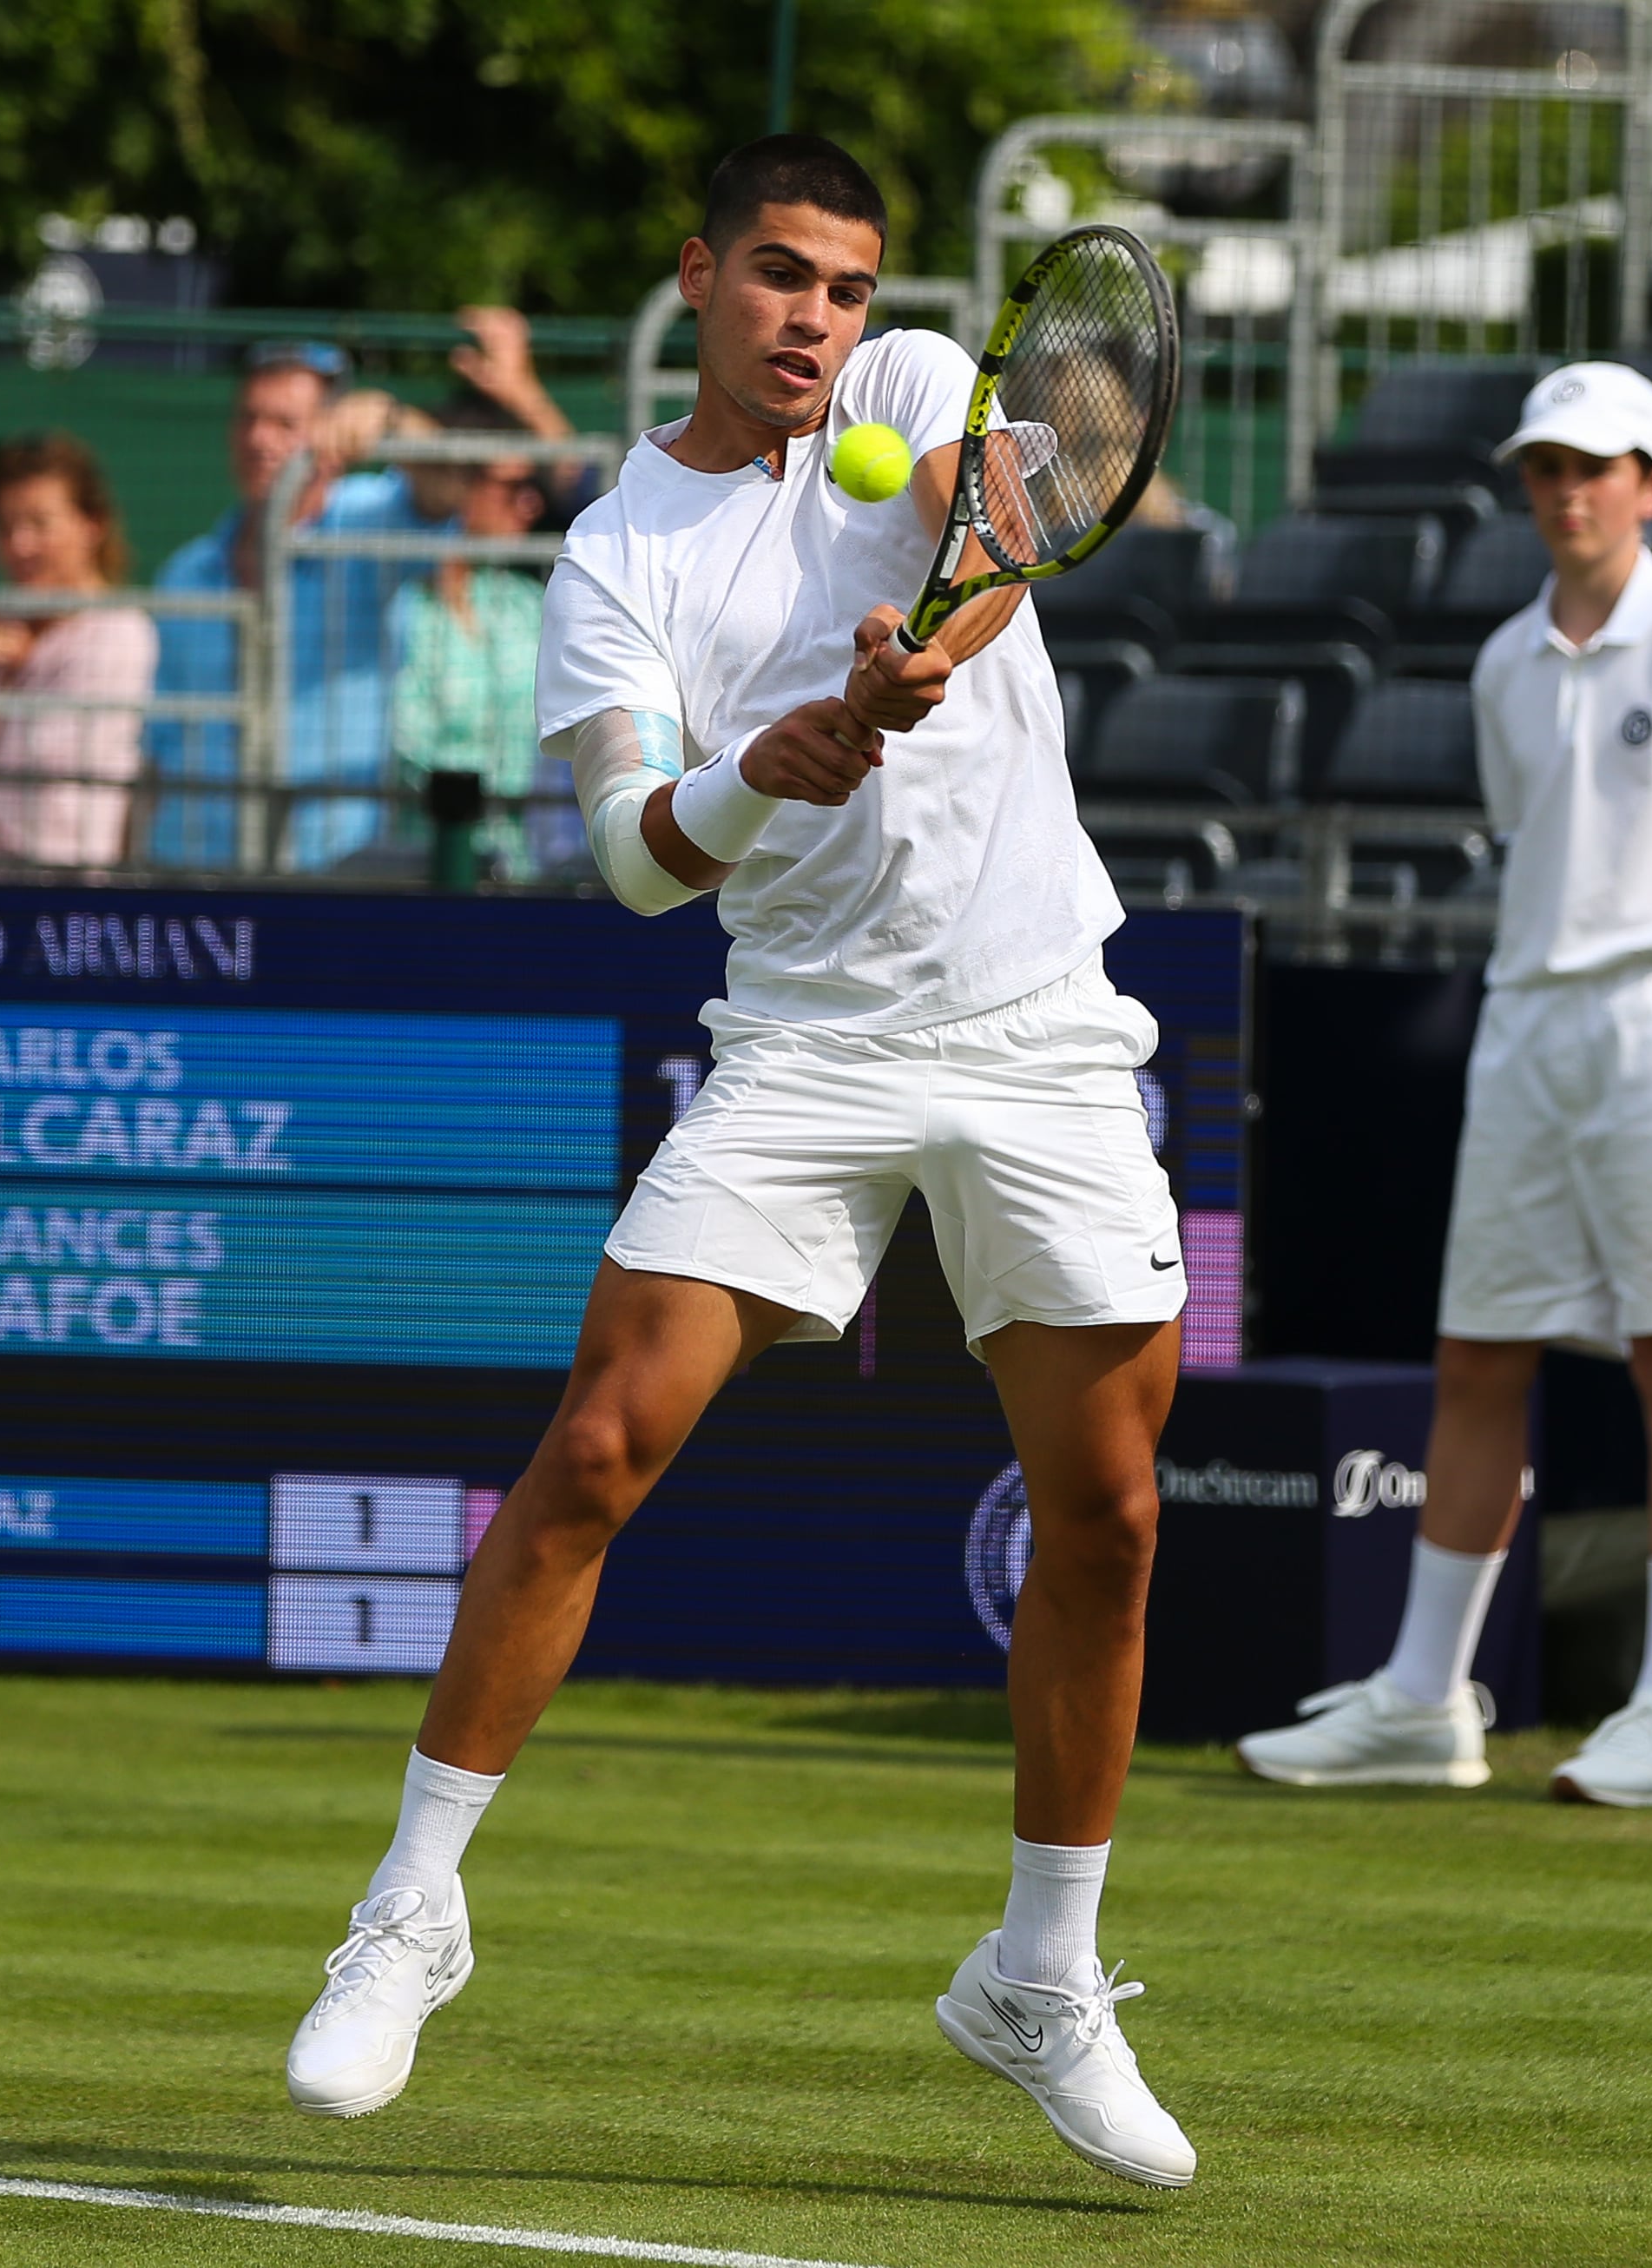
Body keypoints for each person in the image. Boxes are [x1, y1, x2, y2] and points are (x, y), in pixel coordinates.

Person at [279, 136, 1201, 2192]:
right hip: (800, 1041)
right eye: (778, 276)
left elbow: (996, 518)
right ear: (696, 278)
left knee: (1113, 1510)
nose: (816, 318)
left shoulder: (903, 391)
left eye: (845, 285)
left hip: (1037, 1019)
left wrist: (908, 667)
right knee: (599, 1443)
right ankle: (409, 1911)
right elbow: (625, 858)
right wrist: (760, 766)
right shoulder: (613, 555)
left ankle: (1035, 1976)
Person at [1234, 363, 1652, 1809]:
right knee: (1477, 1354)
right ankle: (1424, 1701)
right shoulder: (1502, 661)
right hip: (1526, 1023)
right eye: (1545, 467)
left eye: (1595, 467)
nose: (1566, 491)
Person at [148, 313, 581, 874]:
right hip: (188, 884)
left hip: (329, 878)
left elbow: (446, 488)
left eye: (284, 423)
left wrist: (391, 420)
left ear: (327, 435)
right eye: (248, 419)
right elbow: (153, 750)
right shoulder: (186, 571)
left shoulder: (364, 523)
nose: (260, 439)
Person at [0, 432, 156, 873]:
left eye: (40, 523)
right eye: (6, 526)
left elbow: (42, 804)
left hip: (51, 915)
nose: (19, 545)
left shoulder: (120, 632)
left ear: (92, 526)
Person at [386, 398, 550, 879]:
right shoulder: (408, 607)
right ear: (460, 488)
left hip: (522, 866)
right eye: (513, 487)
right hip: (428, 862)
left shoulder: (529, 602)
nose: (532, 503)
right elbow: (407, 742)